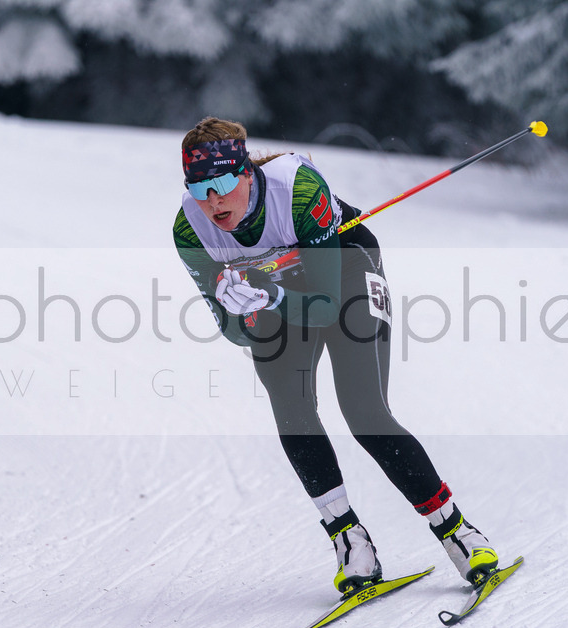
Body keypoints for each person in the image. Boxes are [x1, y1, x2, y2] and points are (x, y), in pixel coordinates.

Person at [172, 116, 499, 593]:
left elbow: (325, 305)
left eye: (222, 182)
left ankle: (456, 532)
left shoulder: (298, 189)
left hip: (345, 275)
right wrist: (241, 313)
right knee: (291, 406)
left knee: (364, 409)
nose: (213, 200)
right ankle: (350, 541)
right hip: (277, 293)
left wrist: (270, 298)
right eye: (199, 187)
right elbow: (230, 332)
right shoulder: (190, 229)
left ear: (245, 173)